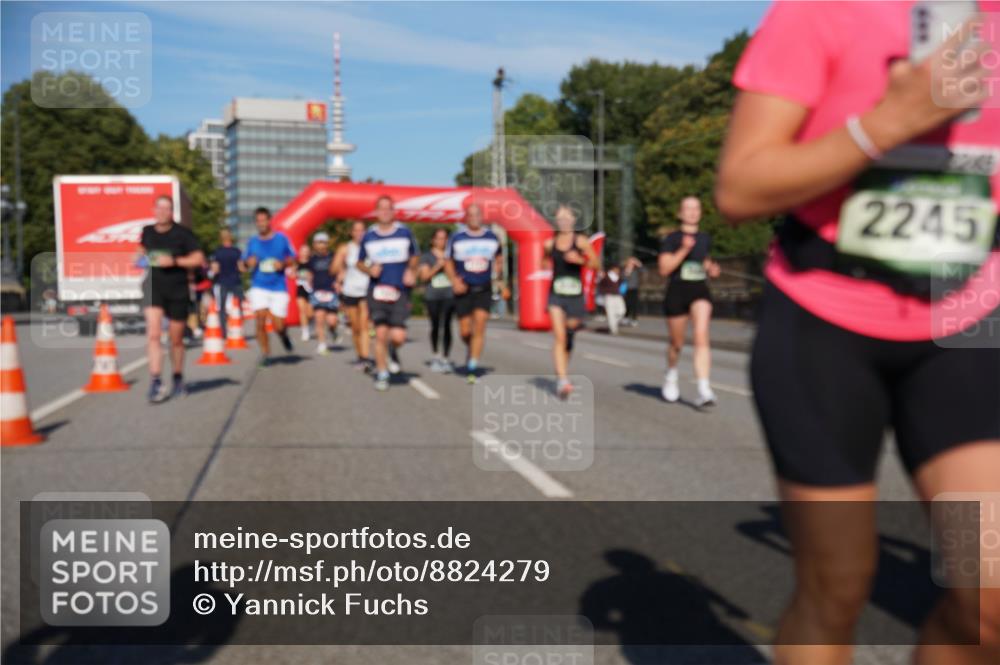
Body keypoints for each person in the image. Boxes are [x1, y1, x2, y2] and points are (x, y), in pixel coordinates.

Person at [717, 3, 999, 664]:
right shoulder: (822, 11)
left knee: (987, 600)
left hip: (969, 324)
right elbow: (740, 186)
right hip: (825, 324)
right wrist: (888, 125)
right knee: (837, 587)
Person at [137, 195, 204, 403]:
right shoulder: (147, 231)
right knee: (154, 334)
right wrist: (140, 258)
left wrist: (174, 260)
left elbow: (198, 259)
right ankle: (156, 380)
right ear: (154, 210)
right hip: (153, 286)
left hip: (177, 289)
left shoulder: (183, 234)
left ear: (171, 212)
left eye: (167, 209)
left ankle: (177, 376)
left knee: (176, 339)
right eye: (159, 208)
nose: (163, 212)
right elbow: (140, 251)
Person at [658, 197, 721, 407]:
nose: (693, 212)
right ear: (680, 213)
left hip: (699, 289)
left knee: (701, 334)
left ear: (700, 213)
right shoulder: (672, 239)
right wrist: (683, 249)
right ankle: (671, 374)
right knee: (677, 343)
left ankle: (704, 387)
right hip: (677, 290)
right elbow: (664, 269)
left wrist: (711, 270)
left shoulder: (705, 238)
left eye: (696, 208)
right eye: (688, 208)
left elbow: (704, 260)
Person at [357, 196, 419, 391]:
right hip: (377, 291)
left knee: (398, 336)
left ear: (393, 212)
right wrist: (369, 270)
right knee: (381, 333)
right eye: (381, 209)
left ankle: (393, 350)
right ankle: (382, 373)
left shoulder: (404, 232)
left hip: (399, 291)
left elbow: (414, 256)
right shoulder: (369, 235)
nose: (384, 212)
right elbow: (359, 262)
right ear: (376, 212)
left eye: (388, 209)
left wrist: (411, 270)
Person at [544, 204, 600, 398]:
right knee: (559, 337)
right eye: (560, 218)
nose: (564, 221)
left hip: (575, 294)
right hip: (556, 294)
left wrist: (581, 261)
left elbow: (596, 264)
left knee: (569, 335)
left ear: (574, 220)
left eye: (567, 218)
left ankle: (562, 371)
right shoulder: (550, 244)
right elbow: (543, 261)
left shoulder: (582, 241)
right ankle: (562, 379)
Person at [445, 203, 502, 383]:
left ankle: (472, 365)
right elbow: (447, 261)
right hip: (464, 289)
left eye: (477, 215)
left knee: (480, 324)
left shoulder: (492, 237)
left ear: (482, 216)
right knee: (465, 331)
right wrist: (454, 280)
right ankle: (471, 350)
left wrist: (497, 274)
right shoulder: (457, 237)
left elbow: (499, 257)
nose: (474, 218)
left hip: (483, 288)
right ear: (466, 218)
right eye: (470, 215)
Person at [243, 207, 295, 366]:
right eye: (258, 221)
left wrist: (284, 263)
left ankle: (283, 335)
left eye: (263, 220)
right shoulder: (252, 242)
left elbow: (293, 258)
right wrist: (247, 263)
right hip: (259, 285)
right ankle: (265, 353)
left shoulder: (281, 239)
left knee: (278, 325)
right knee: (260, 319)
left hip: (278, 287)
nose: (261, 224)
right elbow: (243, 264)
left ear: (269, 220)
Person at [334, 220, 372, 371]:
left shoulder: (371, 247)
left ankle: (366, 357)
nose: (359, 233)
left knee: (364, 326)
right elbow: (334, 268)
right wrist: (339, 270)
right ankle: (360, 355)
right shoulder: (346, 248)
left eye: (362, 230)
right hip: (350, 290)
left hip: (367, 290)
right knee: (355, 327)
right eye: (356, 230)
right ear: (351, 232)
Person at [418, 228, 455, 373]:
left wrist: (448, 266)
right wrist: (438, 266)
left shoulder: (451, 256)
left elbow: (455, 276)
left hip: (448, 294)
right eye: (439, 238)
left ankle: (445, 358)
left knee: (447, 325)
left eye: (445, 238)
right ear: (433, 240)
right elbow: (424, 277)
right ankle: (435, 355)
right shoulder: (426, 256)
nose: (442, 241)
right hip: (432, 295)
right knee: (435, 326)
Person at [305, 231, 339, 355]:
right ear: (314, 245)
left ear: (327, 244)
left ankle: (333, 331)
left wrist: (339, 282)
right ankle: (322, 344)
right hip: (317, 292)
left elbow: (339, 270)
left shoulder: (333, 256)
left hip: (331, 292)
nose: (320, 245)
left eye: (323, 242)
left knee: (332, 321)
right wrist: (308, 281)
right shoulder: (312, 259)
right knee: (319, 318)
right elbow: (309, 272)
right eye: (318, 243)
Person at [210, 228, 245, 337]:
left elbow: (215, 269)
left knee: (222, 307)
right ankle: (238, 330)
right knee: (239, 306)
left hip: (222, 281)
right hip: (236, 281)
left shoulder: (218, 252)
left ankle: (224, 333)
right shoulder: (237, 251)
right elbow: (241, 268)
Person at [598, 264, 627, 335]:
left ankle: (613, 323)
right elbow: (600, 285)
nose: (618, 271)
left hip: (618, 296)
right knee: (610, 313)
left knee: (622, 311)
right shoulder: (606, 276)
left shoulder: (618, 277)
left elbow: (622, 283)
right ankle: (613, 329)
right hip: (609, 296)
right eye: (616, 269)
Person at [294, 244, 313, 342]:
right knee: (302, 310)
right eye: (303, 251)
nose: (304, 253)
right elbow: (292, 273)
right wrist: (295, 273)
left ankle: (311, 323)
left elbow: (315, 274)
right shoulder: (296, 263)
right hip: (300, 288)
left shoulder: (312, 262)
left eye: (306, 251)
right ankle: (305, 331)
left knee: (309, 313)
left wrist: (311, 276)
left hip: (311, 289)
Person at [622, 256, 643, 325]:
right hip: (626, 289)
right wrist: (628, 270)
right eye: (630, 262)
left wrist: (638, 264)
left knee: (634, 304)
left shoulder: (636, 270)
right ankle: (626, 317)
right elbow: (623, 278)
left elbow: (644, 270)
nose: (631, 263)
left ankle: (634, 319)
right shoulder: (625, 269)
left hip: (634, 289)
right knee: (627, 304)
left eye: (632, 262)